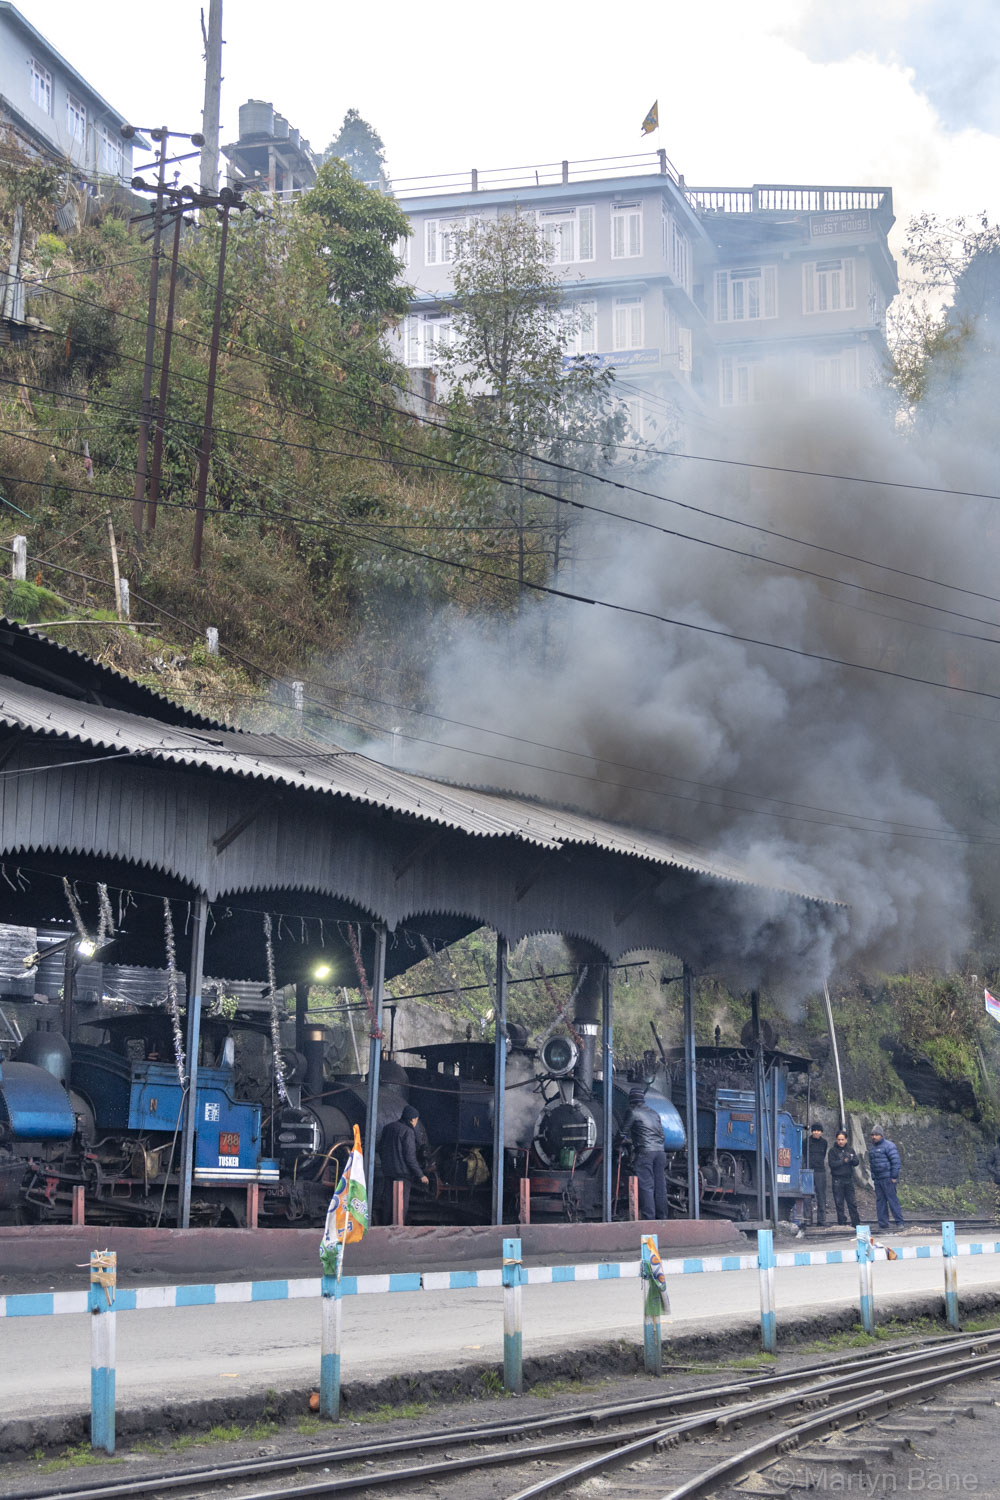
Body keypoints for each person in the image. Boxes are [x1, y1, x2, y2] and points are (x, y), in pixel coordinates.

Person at [621, 1086, 668, 1220]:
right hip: (660, 1152)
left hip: (645, 1153)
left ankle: (649, 1219)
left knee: (646, 1186)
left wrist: (616, 1144)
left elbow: (622, 1133)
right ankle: (662, 1218)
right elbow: (662, 1135)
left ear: (631, 1100)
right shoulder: (654, 1113)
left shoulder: (633, 1112)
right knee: (660, 1186)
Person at [377, 1106, 428, 1225]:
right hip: (403, 1175)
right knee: (400, 1206)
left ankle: (385, 1228)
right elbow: (410, 1158)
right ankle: (398, 1231)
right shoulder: (408, 1132)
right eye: (416, 1120)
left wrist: (386, 1164)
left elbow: (380, 1148)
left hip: (388, 1172)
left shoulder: (388, 1128)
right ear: (413, 1119)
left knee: (388, 1204)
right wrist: (421, 1175)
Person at [868, 1128, 904, 1230]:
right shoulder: (872, 1149)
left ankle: (899, 1222)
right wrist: (874, 1177)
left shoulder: (889, 1146)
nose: (874, 1137)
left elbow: (896, 1162)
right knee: (880, 1202)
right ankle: (883, 1224)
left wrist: (894, 1176)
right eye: (872, 1135)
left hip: (888, 1178)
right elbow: (872, 1164)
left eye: (876, 1135)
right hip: (878, 1179)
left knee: (892, 1200)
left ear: (881, 1135)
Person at [827, 1128, 860, 1227]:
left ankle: (856, 1222)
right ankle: (842, 1222)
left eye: (842, 1139)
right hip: (837, 1179)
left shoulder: (850, 1150)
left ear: (846, 1140)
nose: (840, 1141)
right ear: (836, 1140)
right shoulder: (832, 1151)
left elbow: (856, 1162)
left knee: (852, 1202)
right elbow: (832, 1164)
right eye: (839, 1139)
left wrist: (851, 1159)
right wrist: (843, 1161)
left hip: (848, 1179)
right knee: (839, 1203)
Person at [807, 1123, 828, 1227]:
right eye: (814, 1130)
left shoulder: (824, 1142)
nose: (816, 1132)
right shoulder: (806, 1142)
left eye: (818, 1131)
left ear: (821, 1132)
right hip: (809, 1170)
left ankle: (821, 1220)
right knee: (807, 1195)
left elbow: (823, 1154)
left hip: (820, 1170)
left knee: (821, 1195)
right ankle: (807, 1219)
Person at [986, 1136, 1000, 1225]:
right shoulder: (994, 1151)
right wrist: (996, 1172)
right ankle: (998, 1218)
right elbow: (988, 1163)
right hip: (999, 1179)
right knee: (998, 1200)